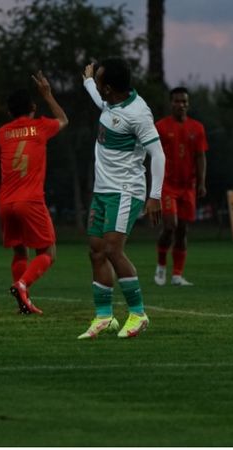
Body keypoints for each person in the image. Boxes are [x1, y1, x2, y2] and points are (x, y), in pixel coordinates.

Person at [77, 58, 165, 339]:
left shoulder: (138, 113)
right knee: (96, 250)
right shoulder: (112, 102)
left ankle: (138, 314)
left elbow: (158, 154)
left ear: (110, 87)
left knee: (113, 249)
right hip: (103, 191)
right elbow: (98, 99)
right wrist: (88, 81)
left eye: (102, 82)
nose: (99, 88)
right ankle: (104, 317)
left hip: (125, 190)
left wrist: (155, 196)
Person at [0, 71, 69, 315]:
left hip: (6, 202)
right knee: (48, 252)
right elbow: (63, 120)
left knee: (19, 250)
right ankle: (23, 285)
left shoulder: (1, 133)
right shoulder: (40, 127)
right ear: (33, 107)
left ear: (9, 113)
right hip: (30, 200)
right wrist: (48, 94)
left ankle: (23, 304)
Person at [153, 87, 209, 287]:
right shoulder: (160, 127)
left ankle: (177, 275)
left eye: (184, 101)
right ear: (171, 103)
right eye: (177, 101)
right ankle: (161, 267)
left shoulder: (197, 128)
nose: (181, 105)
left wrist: (201, 183)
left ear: (188, 104)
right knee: (170, 226)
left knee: (183, 230)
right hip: (168, 184)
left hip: (188, 186)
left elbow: (200, 157)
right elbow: (152, 154)